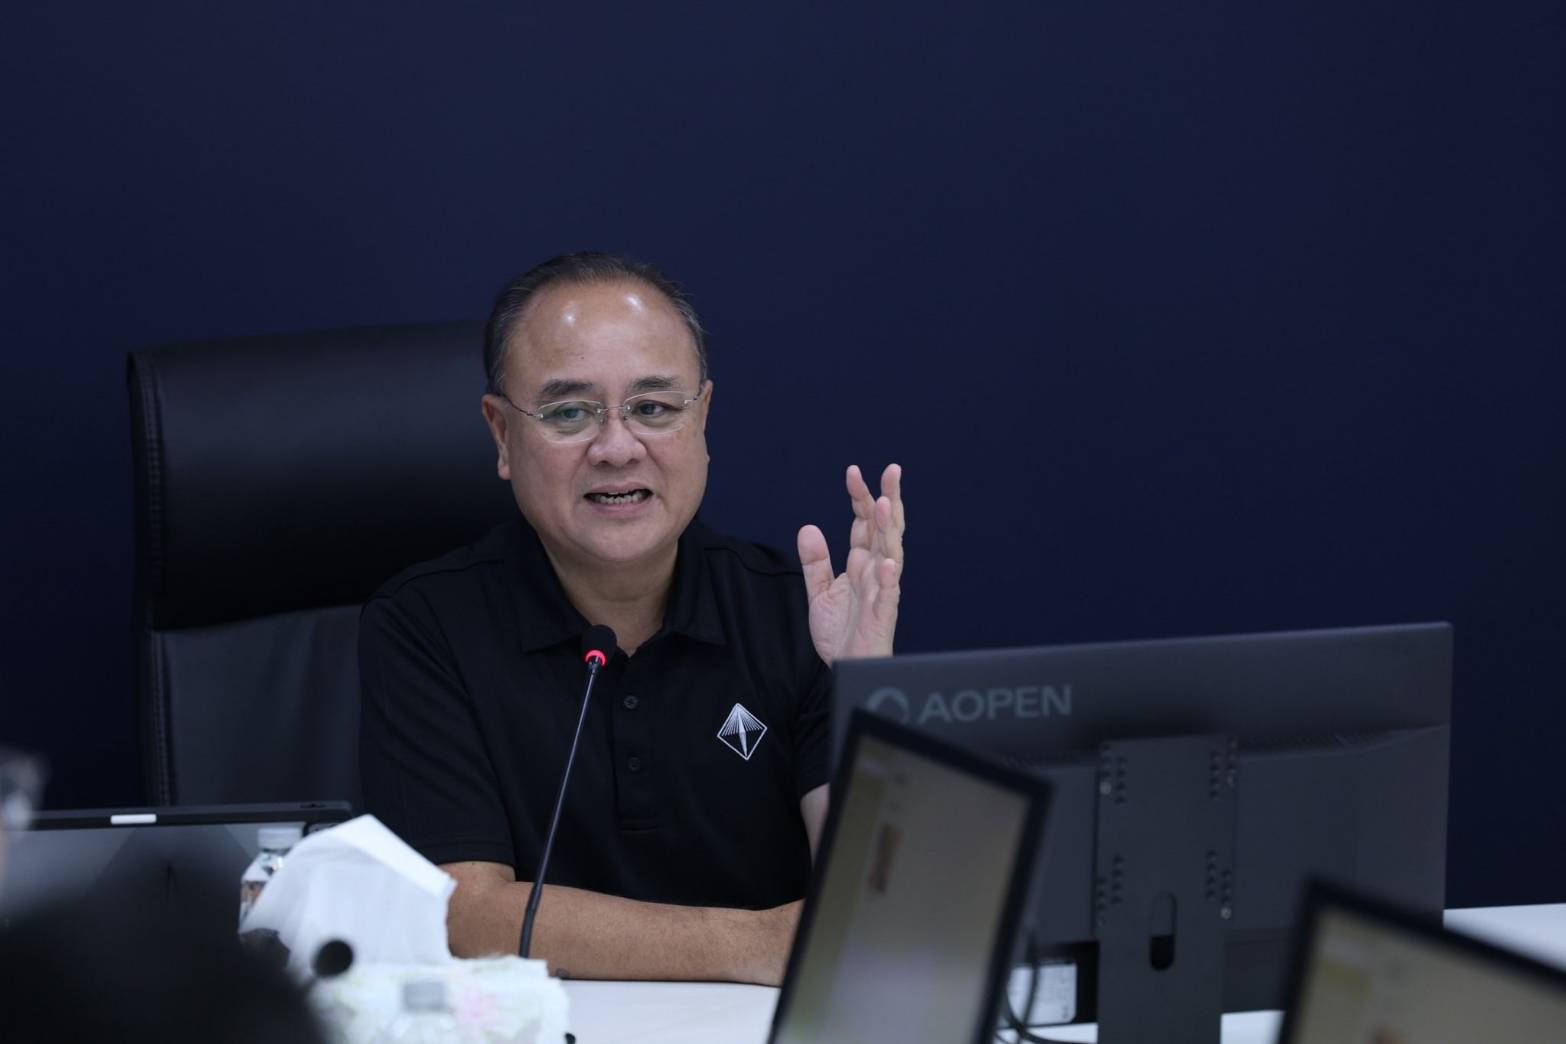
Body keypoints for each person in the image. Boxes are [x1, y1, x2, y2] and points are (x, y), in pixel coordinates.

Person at [358, 252, 904, 985]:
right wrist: (757, 943)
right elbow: (464, 914)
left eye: (653, 408)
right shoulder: (426, 625)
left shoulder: (795, 609)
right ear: (501, 435)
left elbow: (868, 914)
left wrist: (866, 694)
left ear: (702, 419)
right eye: (569, 413)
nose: (617, 448)